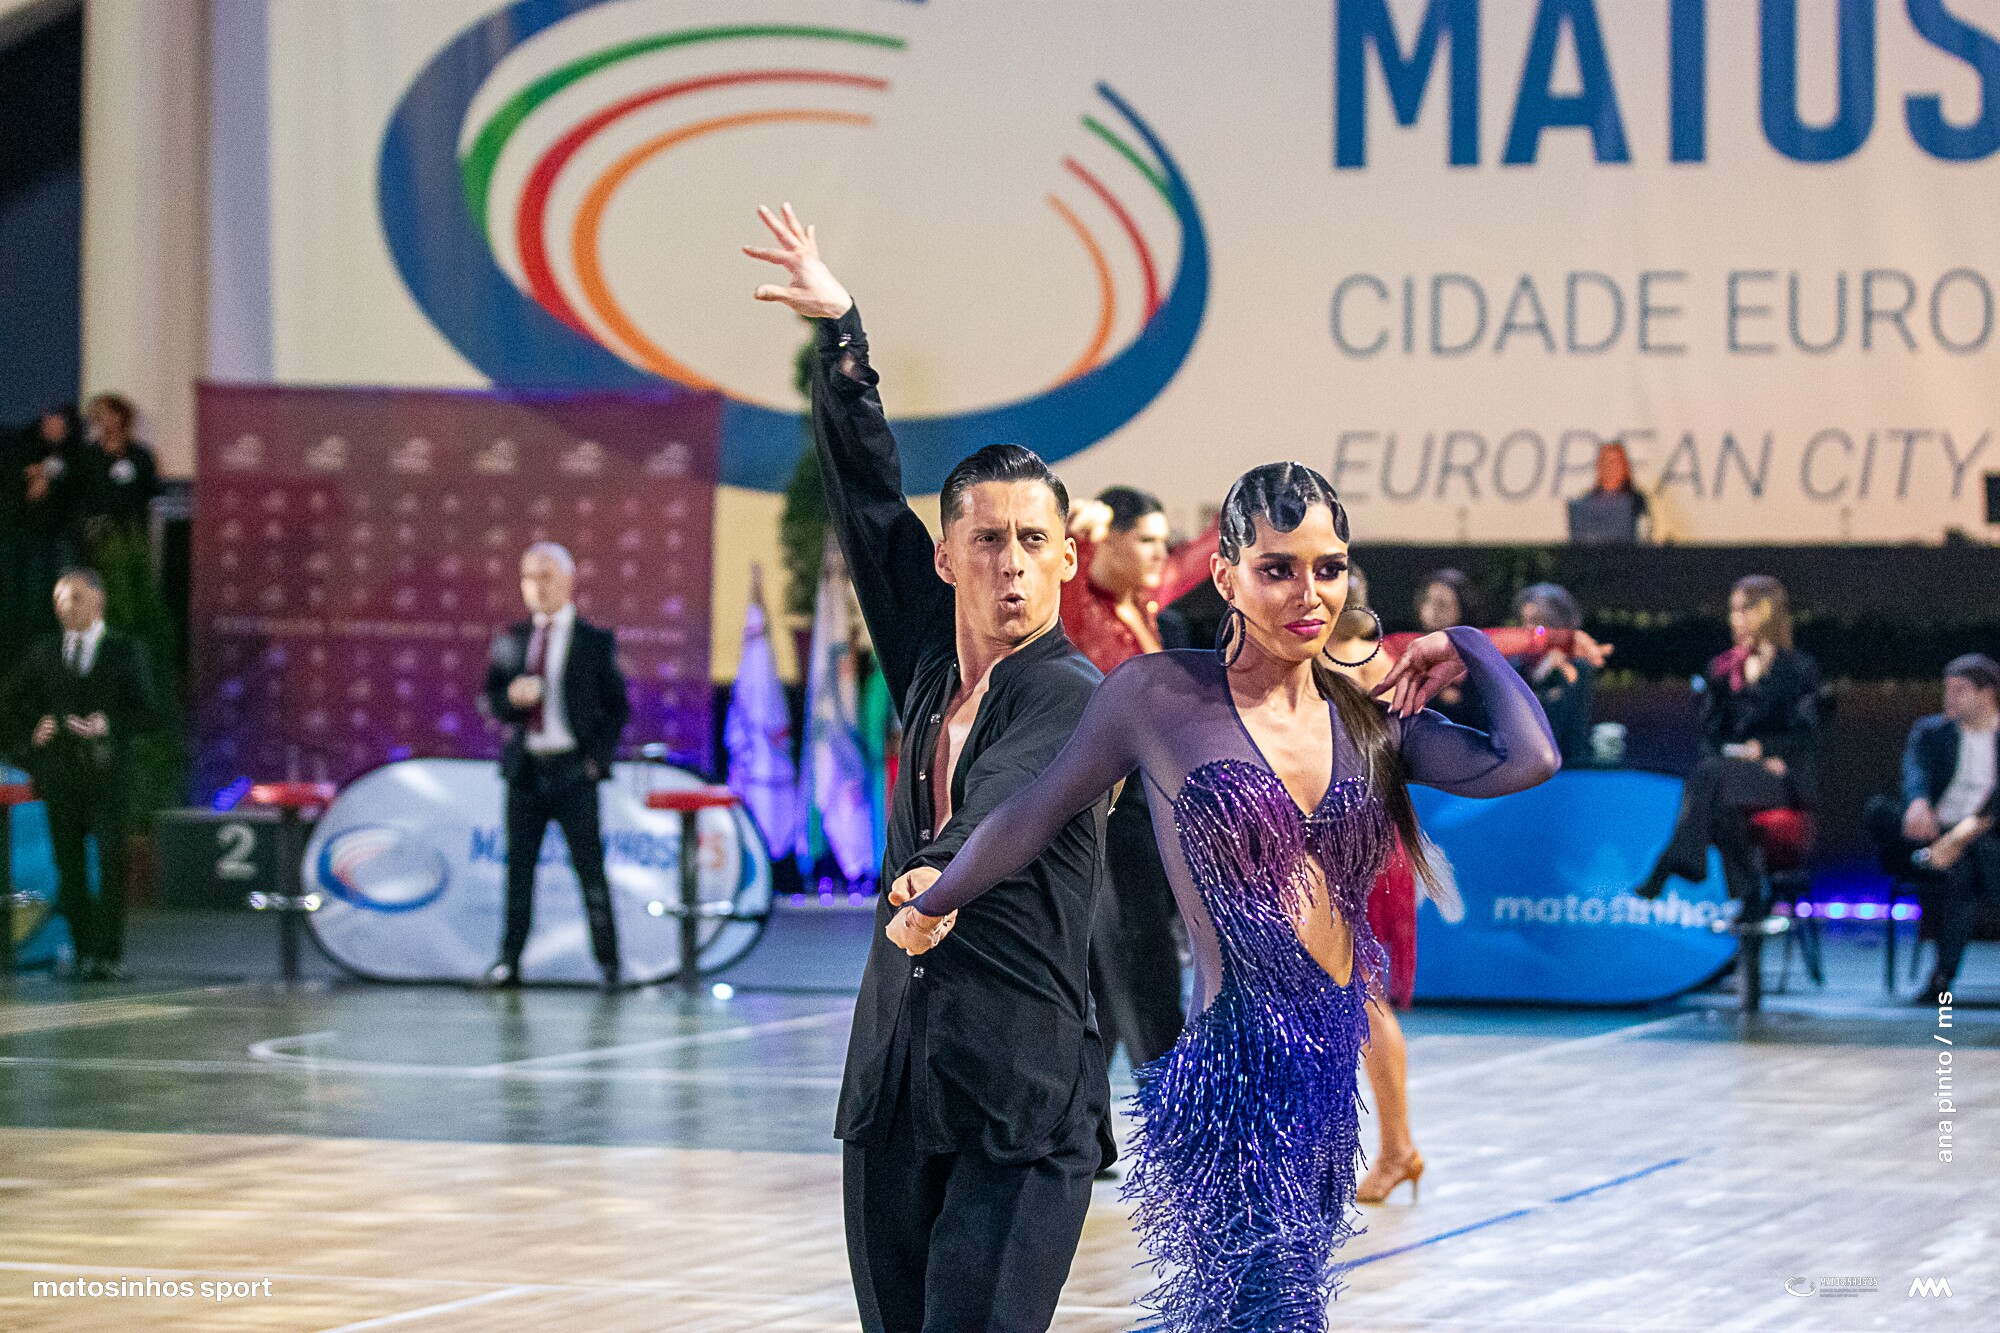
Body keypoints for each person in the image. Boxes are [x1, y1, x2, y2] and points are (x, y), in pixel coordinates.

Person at [885, 461, 1558, 1330]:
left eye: (1328, 566)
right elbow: (1034, 810)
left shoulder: (1369, 723)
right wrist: (942, 895)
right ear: (1225, 574)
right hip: (1228, 1085)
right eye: (1277, 568)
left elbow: (1530, 757)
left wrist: (1464, 643)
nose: (1307, 592)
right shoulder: (1162, 697)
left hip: (1324, 1092)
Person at [746, 204, 1114, 1333]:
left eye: (1033, 542)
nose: (1011, 565)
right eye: (988, 541)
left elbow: (1007, 802)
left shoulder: (1071, 694)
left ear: (1064, 556)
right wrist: (841, 341)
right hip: (897, 1085)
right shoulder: (920, 656)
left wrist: (934, 878)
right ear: (948, 553)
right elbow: (864, 498)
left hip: (1017, 1095)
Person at [1063, 487, 1217, 1071]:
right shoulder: (1077, 606)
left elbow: (1190, 563)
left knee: (1109, 967)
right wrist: (1079, 536)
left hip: (1155, 808)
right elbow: (1069, 591)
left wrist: (1239, 518)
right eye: (1146, 540)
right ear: (1109, 543)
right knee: (1141, 955)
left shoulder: (1144, 605)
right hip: (1107, 808)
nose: (1160, 554)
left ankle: (1081, 1130)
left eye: (1162, 541)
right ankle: (1176, 1111)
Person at [478, 543, 629, 991]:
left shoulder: (594, 640)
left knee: (590, 872)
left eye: (545, 576)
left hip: (573, 771)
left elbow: (617, 709)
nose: (536, 586)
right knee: (518, 872)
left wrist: (595, 763)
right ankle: (509, 962)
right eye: (528, 576)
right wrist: (511, 700)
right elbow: (490, 700)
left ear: (568, 580)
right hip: (526, 771)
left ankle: (609, 964)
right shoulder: (512, 639)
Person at [2, 569, 159, 979]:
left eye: (72, 598)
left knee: (110, 863)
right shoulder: (45, 651)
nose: (63, 608)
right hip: (60, 776)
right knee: (67, 865)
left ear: (97, 601)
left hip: (107, 776)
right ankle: (83, 950)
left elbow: (149, 712)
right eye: (58, 600)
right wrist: (31, 734)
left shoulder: (126, 650)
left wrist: (107, 724)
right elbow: (10, 702)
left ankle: (109, 955)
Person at [1633, 575, 1820, 913]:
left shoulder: (1799, 669)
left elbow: (1809, 730)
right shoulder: (1721, 669)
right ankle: (1751, 894)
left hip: (1778, 774)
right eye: (1734, 611)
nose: (1737, 620)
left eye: (1745, 611)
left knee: (1711, 778)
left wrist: (1766, 751)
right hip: (1728, 774)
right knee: (1718, 797)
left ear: (1766, 614)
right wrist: (1734, 753)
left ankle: (1677, 861)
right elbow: (1710, 733)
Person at [1865, 654, 1998, 1004]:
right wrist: (1919, 802)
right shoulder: (1931, 732)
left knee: (1962, 870)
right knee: (1880, 810)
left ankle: (1941, 978)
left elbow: (1994, 808)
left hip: (1984, 838)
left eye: (1960, 690)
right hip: (1930, 830)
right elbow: (1916, 772)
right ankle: (1931, 858)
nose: (1949, 699)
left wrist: (1957, 839)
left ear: (1987, 695)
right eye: (1947, 690)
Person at [1512, 582, 1596, 767]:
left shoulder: (1578, 669)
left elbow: (1569, 730)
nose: (1529, 631)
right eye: (1525, 622)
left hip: (1568, 770)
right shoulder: (1515, 666)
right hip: (1523, 767)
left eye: (1537, 624)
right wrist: (1538, 676)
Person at [1413, 568, 1486, 729]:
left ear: (1462, 607)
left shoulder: (1476, 655)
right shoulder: (1411, 649)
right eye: (1428, 601)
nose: (1432, 610)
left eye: (1443, 604)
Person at [78, 393, 160, 537]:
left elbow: (151, 490)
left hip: (132, 528)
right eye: (97, 415)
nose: (99, 419)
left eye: (103, 413)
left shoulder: (140, 455)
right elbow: (82, 490)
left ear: (118, 416)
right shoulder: (89, 454)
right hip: (97, 527)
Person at [1566, 440, 1652, 545]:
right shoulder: (1586, 501)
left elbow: (1644, 535)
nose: (1610, 468)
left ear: (1624, 466)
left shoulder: (1636, 500)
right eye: (1606, 462)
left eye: (1614, 462)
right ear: (1599, 466)